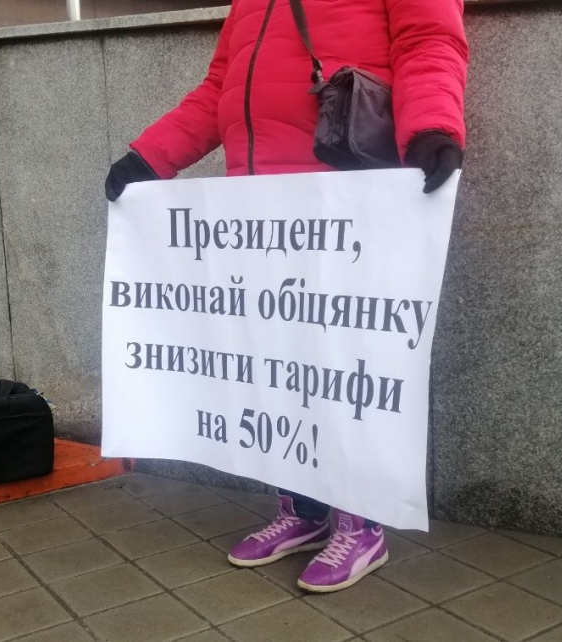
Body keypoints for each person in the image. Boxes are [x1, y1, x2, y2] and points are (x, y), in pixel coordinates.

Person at [105, 0, 468, 593]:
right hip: (263, 216)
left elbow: (429, 42)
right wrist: (151, 156)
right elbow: (219, 89)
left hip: (346, 205)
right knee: (276, 367)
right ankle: (303, 510)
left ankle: (361, 524)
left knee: (341, 367)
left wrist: (432, 126)